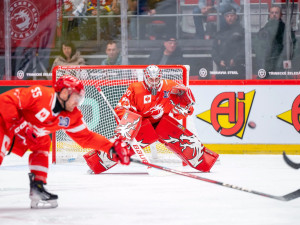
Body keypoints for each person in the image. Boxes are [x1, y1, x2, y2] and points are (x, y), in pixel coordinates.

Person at [0, 75, 130, 208]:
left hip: (22, 135)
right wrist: (20, 125)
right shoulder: (40, 94)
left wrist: (111, 148)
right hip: (3, 124)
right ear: (64, 93)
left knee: (43, 142)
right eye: (76, 97)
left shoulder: (72, 116)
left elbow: (87, 138)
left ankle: (37, 187)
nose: (77, 102)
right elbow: (5, 100)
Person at [84, 65, 219, 174]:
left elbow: (182, 110)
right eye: (151, 80)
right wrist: (129, 125)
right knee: (121, 147)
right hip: (142, 125)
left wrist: (186, 108)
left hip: (163, 123)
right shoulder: (135, 89)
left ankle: (205, 162)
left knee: (187, 140)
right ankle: (95, 161)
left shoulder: (171, 86)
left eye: (156, 79)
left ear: (160, 77)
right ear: (145, 78)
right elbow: (121, 108)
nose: (154, 83)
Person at [253, 5, 296, 77]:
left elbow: (290, 47)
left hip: (279, 67)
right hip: (265, 66)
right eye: (272, 13)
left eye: (276, 13)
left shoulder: (286, 30)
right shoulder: (263, 30)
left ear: (281, 15)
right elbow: (257, 46)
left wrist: (280, 62)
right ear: (269, 14)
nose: (274, 15)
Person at [211, 6, 245, 79]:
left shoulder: (242, 32)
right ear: (224, 18)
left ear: (236, 16)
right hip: (222, 69)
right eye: (227, 16)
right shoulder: (220, 33)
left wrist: (235, 60)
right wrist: (219, 61)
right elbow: (214, 50)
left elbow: (244, 48)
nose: (230, 18)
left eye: (232, 15)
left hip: (238, 69)